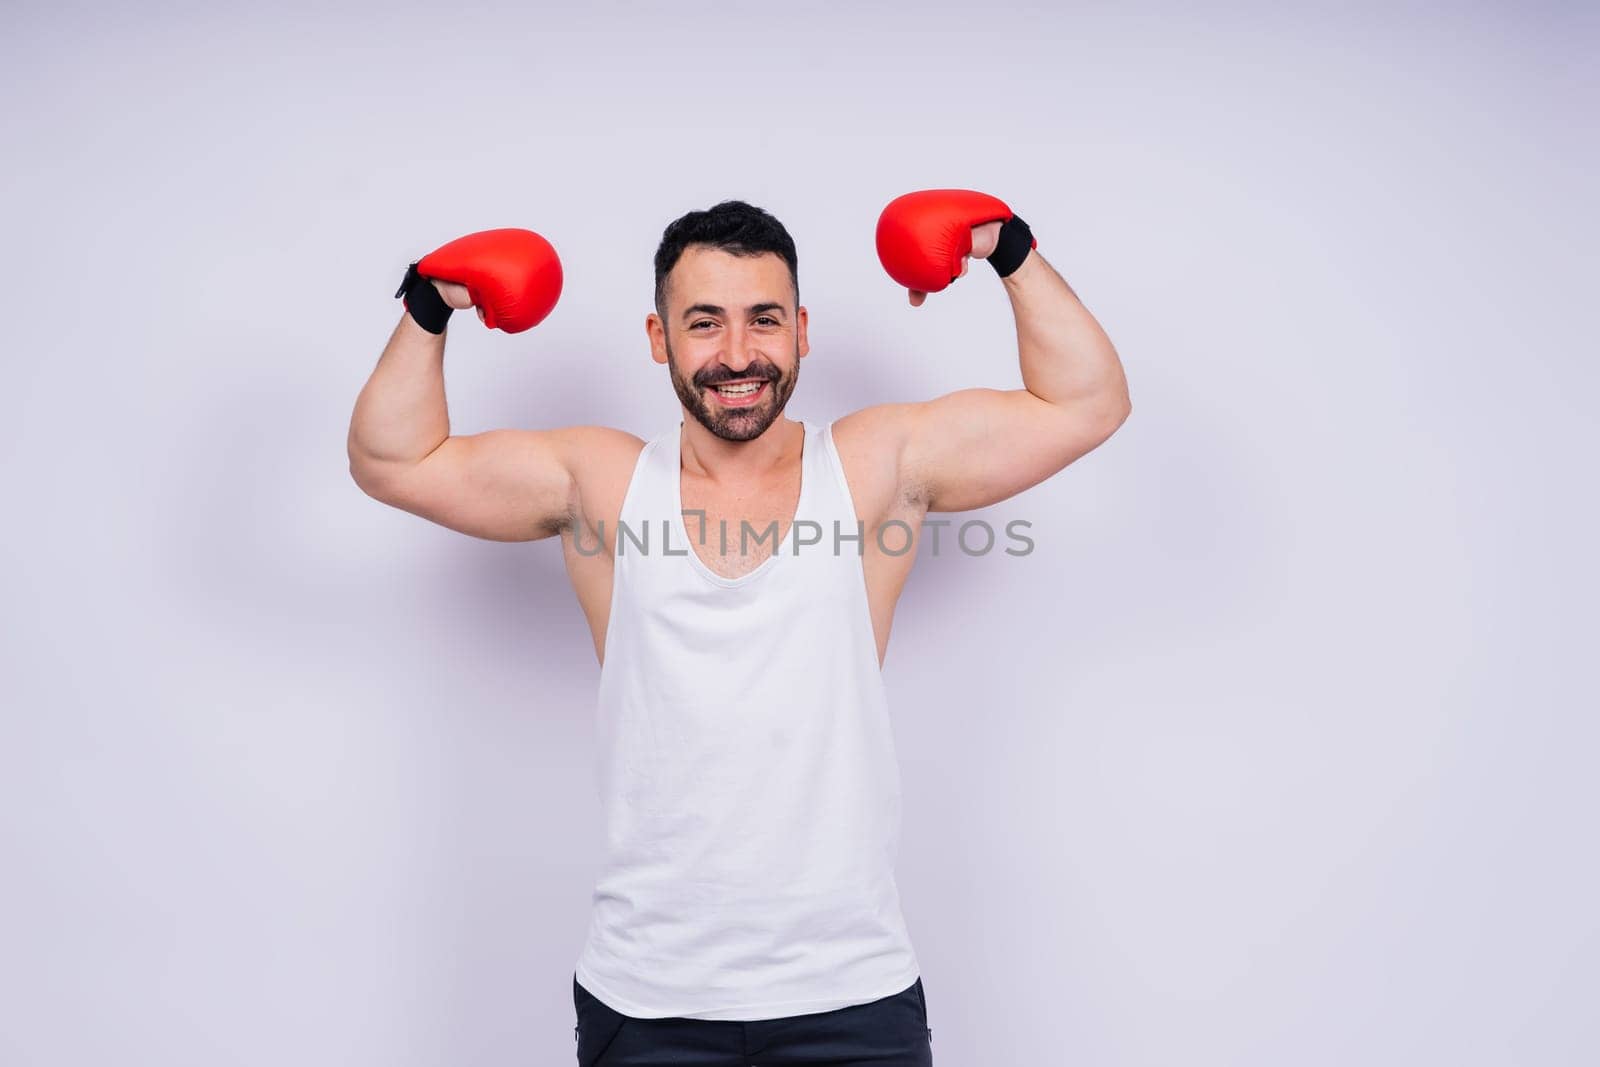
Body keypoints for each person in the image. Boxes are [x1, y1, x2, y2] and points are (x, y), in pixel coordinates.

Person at [347, 195, 1131, 1066]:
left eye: (763, 320)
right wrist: (426, 306)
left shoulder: (876, 468)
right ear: (659, 338)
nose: (737, 354)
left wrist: (1007, 247)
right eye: (704, 323)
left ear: (801, 330)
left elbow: (1086, 402)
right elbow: (393, 460)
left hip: (851, 995)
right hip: (647, 998)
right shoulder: (600, 484)